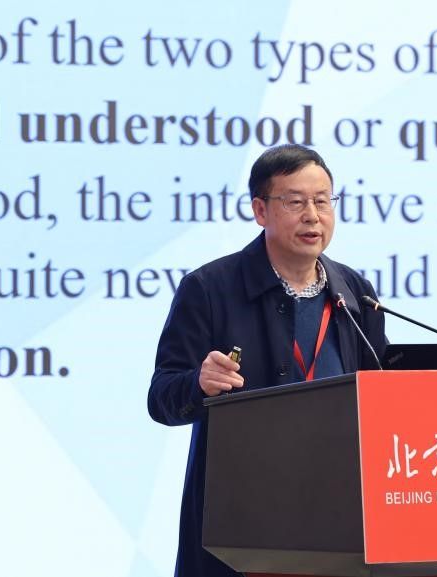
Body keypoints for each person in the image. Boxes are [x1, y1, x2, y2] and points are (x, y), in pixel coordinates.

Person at [148, 144, 387, 577]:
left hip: (338, 514)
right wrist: (199, 384)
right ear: (260, 210)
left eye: (322, 201)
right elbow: (161, 398)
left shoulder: (355, 292)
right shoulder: (209, 288)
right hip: (242, 520)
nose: (313, 216)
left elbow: (380, 393)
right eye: (295, 202)